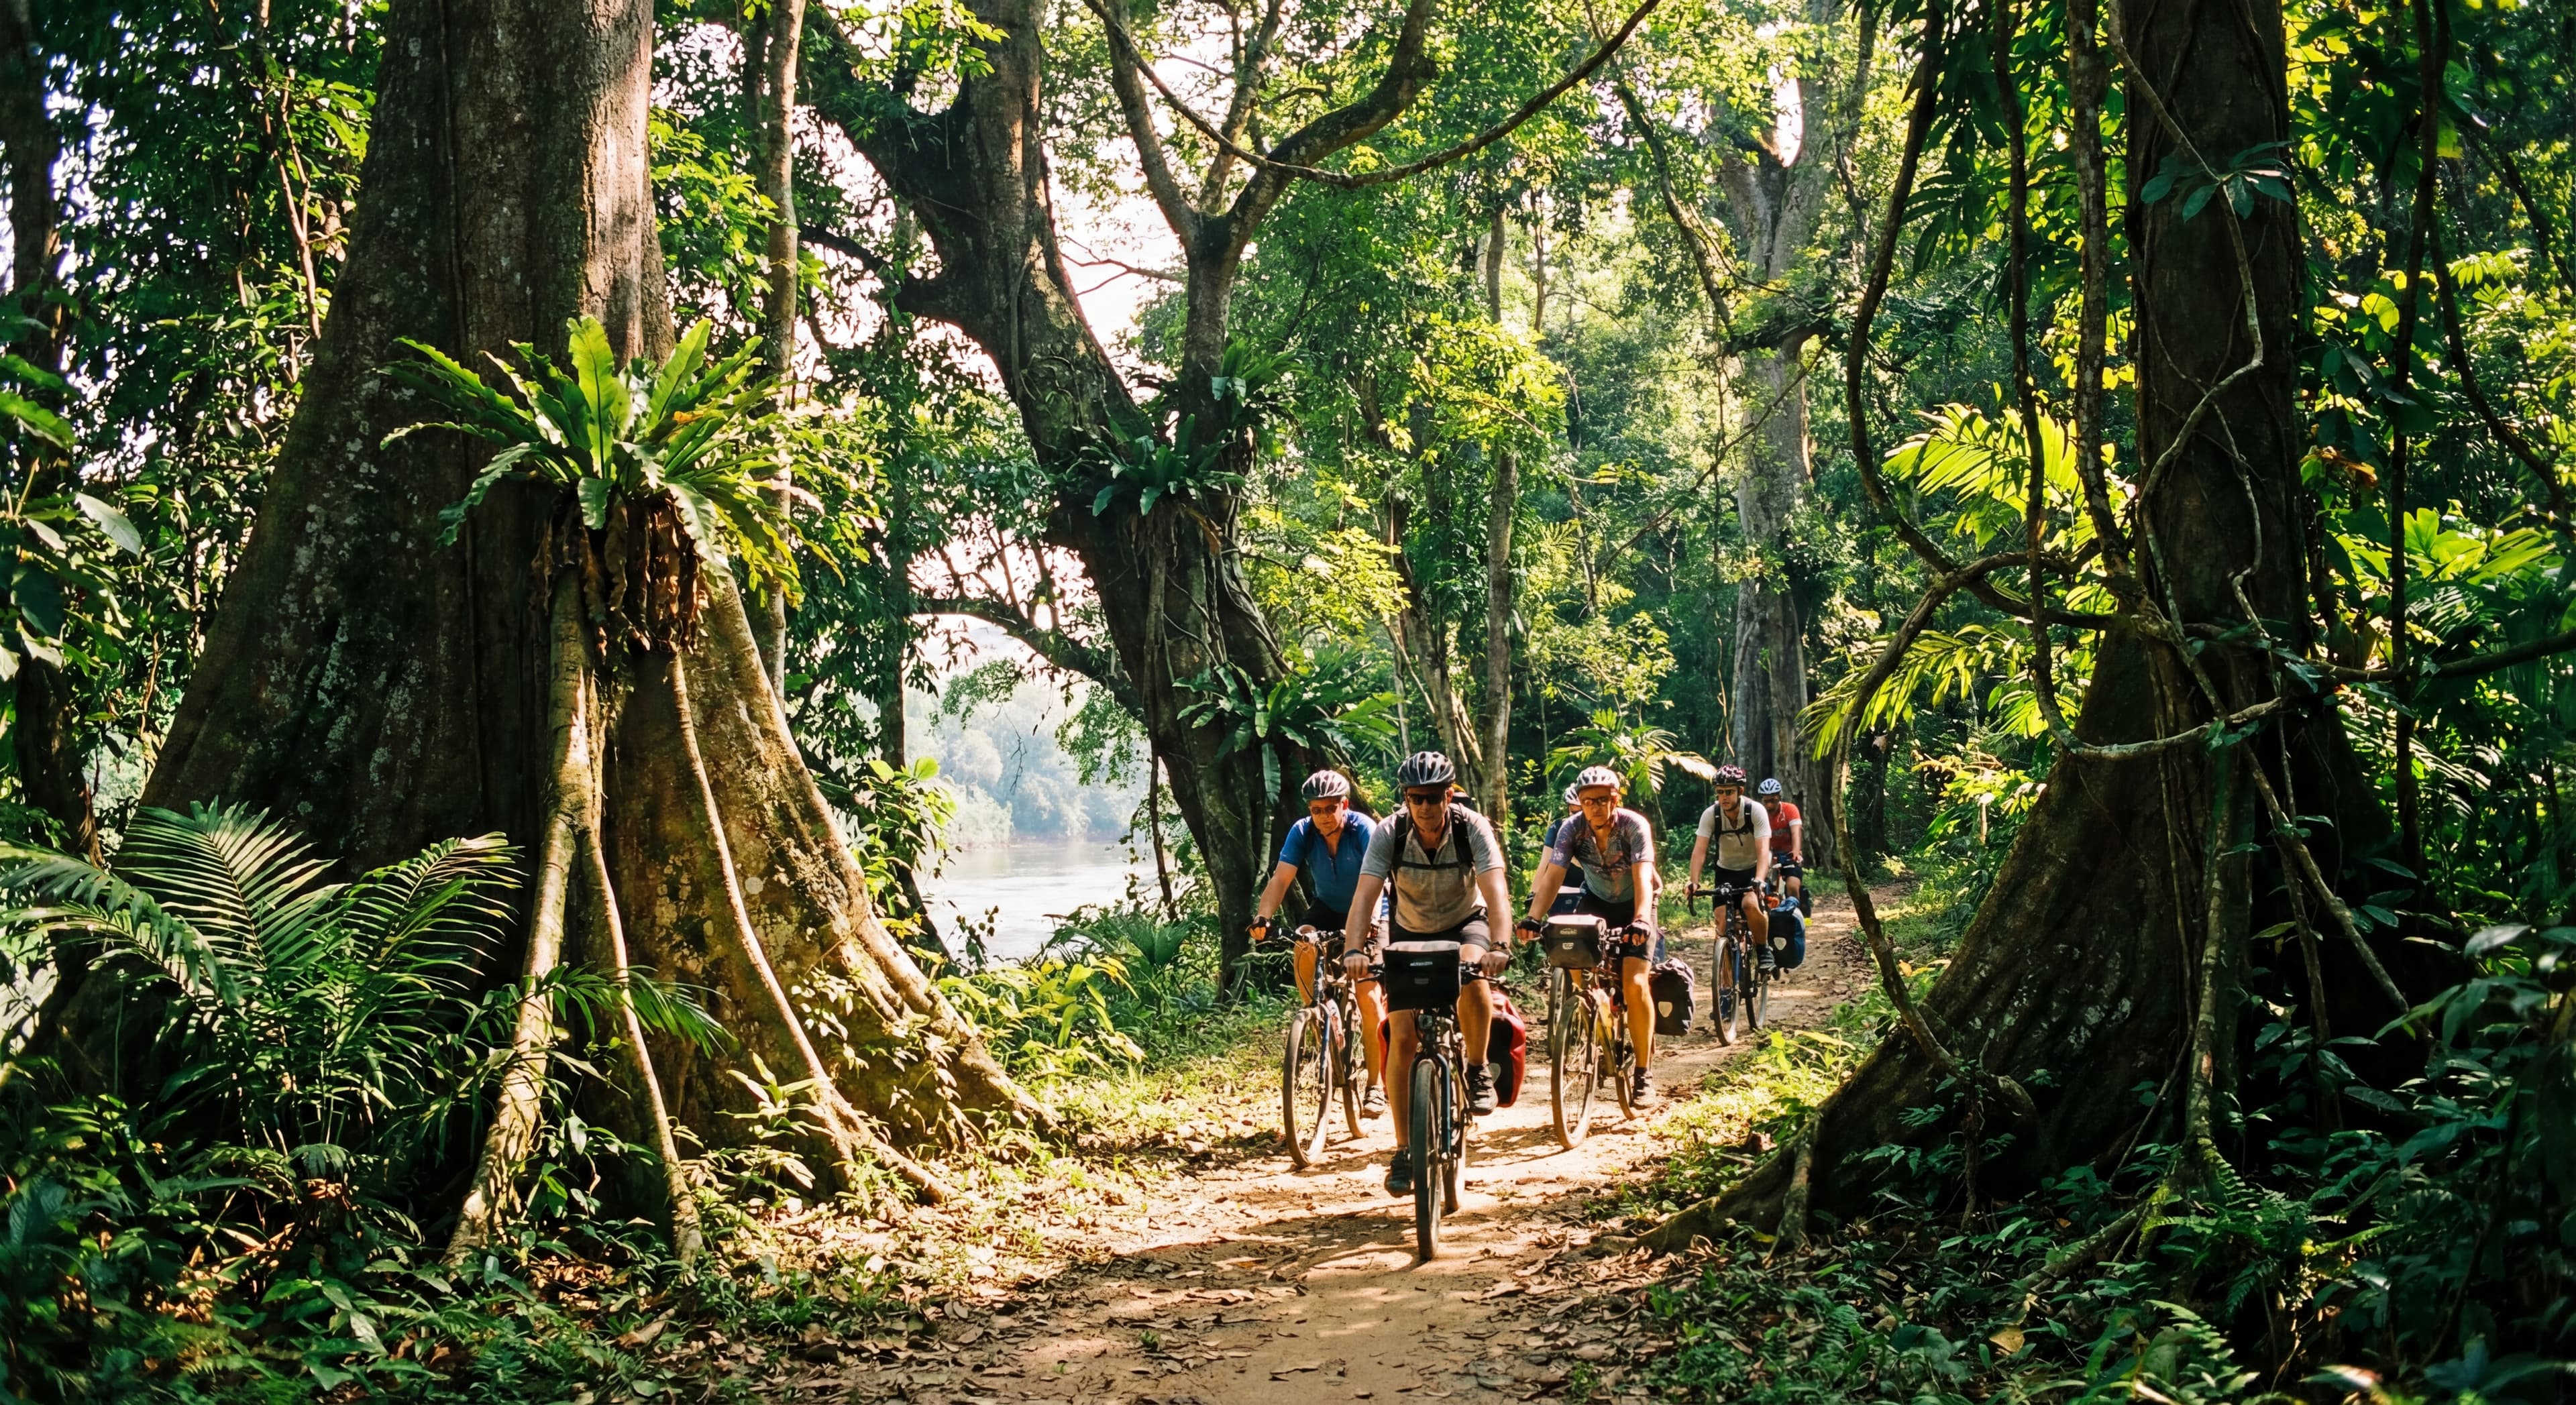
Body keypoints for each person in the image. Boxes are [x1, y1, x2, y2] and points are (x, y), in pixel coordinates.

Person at [1343, 751, 1514, 1198]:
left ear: (1449, 795)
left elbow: (1495, 890)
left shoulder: (1471, 827)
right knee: (1401, 1037)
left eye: (1435, 797)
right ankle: (1403, 1150)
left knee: (1474, 975)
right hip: (1408, 927)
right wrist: (1356, 950)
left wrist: (1499, 945)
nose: (1426, 806)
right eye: (1417, 798)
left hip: (1465, 922)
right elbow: (1365, 897)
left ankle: (1476, 1068)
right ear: (1406, 798)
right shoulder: (1389, 833)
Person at [1517, 766, 1663, 1103]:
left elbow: (1643, 877)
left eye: (1601, 800)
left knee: (1635, 982)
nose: (1595, 807)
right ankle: (1591, 1015)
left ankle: (1644, 1073)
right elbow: (1553, 876)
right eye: (1587, 801)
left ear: (1615, 799)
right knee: (1572, 955)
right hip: (1595, 900)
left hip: (1636, 904)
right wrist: (1533, 918)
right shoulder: (1572, 829)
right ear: (1580, 803)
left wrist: (1641, 920)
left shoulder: (1633, 826)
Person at [1252, 769, 1388, 1115]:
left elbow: (1377, 881)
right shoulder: (1302, 832)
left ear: (1345, 805)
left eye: (1331, 808)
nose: (1324, 817)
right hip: (1327, 906)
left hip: (1370, 906)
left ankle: (1376, 1085)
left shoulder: (1364, 830)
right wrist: (1263, 919)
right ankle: (1319, 1012)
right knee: (1303, 943)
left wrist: (1368, 924)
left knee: (1368, 995)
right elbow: (1281, 879)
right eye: (1317, 810)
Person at [1686, 765, 1773, 970]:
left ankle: (1763, 950)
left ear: (1740, 791)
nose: (1724, 797)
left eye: (1729, 792)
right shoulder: (1712, 815)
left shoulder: (1755, 811)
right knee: (1723, 923)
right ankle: (1725, 978)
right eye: (1720, 792)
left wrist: (1759, 880)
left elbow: (1763, 851)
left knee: (1750, 906)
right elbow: (1700, 850)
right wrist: (1694, 881)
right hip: (1725, 872)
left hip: (1753, 870)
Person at [1758, 777, 1804, 903]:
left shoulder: (1790, 810)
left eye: (1773, 800)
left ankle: (1795, 914)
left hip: (1788, 855)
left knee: (1792, 887)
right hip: (1768, 855)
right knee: (1760, 890)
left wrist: (1796, 852)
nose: (1769, 805)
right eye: (1766, 801)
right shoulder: (1760, 813)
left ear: (1779, 797)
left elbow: (1796, 832)